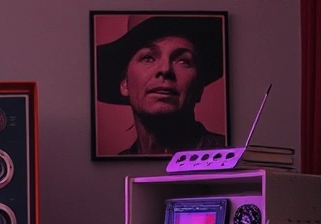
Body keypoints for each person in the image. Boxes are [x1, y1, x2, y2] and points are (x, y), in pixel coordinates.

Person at [95, 15, 226, 155]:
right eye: (148, 58)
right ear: (125, 83)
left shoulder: (231, 155)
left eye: (183, 61)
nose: (165, 69)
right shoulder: (115, 169)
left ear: (200, 88)